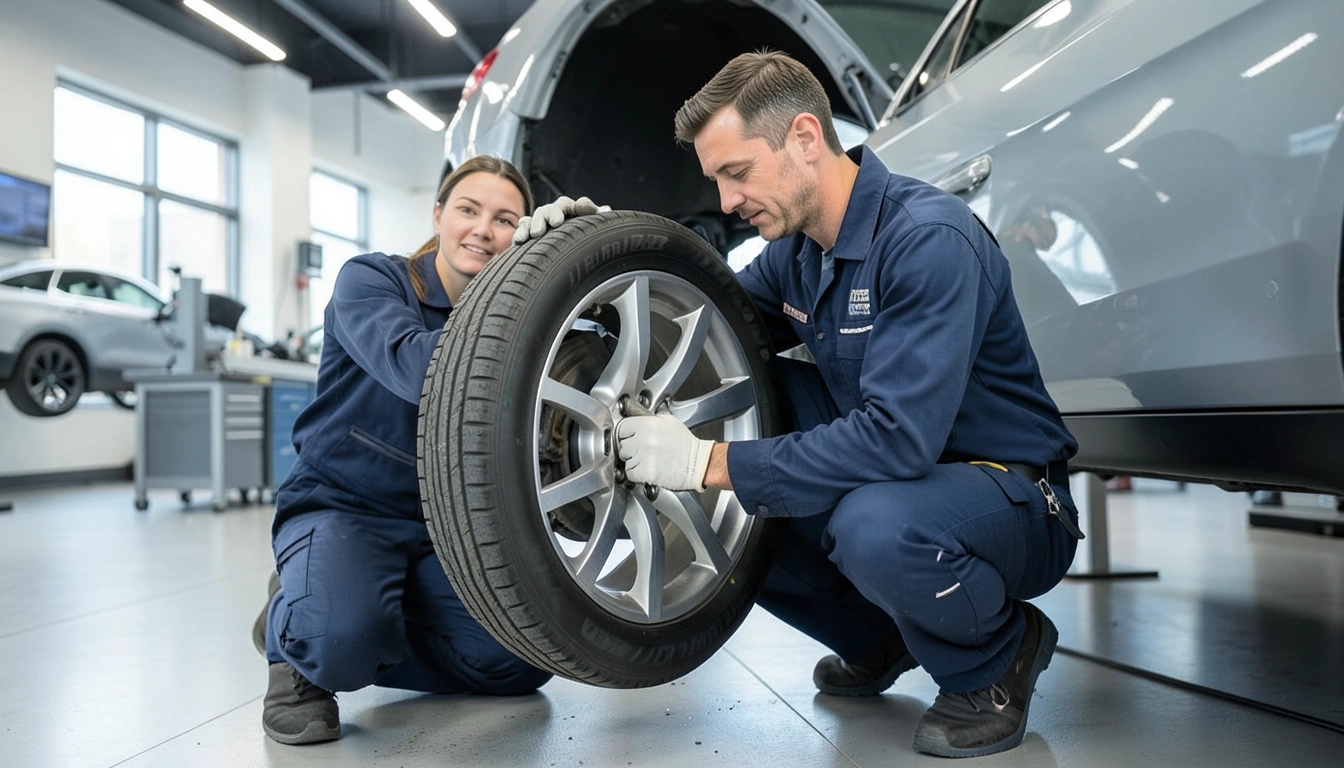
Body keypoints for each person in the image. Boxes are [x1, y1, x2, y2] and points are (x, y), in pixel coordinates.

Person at [516, 52, 1083, 758]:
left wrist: (706, 462)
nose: (726, 202)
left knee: (863, 521)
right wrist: (591, 254)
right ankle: (882, 638)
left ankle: (997, 658)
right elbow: (696, 322)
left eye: (737, 173)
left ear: (806, 140)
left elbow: (896, 442)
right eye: (716, 180)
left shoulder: (927, 240)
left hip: (1008, 497)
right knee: (744, 453)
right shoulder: (800, 254)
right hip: (906, 479)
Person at [253, 156, 600, 745]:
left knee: (520, 663)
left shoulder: (524, 313)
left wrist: (581, 258)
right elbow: (423, 371)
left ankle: (346, 615)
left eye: (505, 219)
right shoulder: (371, 281)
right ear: (438, 215)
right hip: (345, 508)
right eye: (468, 210)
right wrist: (532, 301)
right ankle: (299, 636)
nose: (483, 230)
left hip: (447, 531)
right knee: (340, 646)